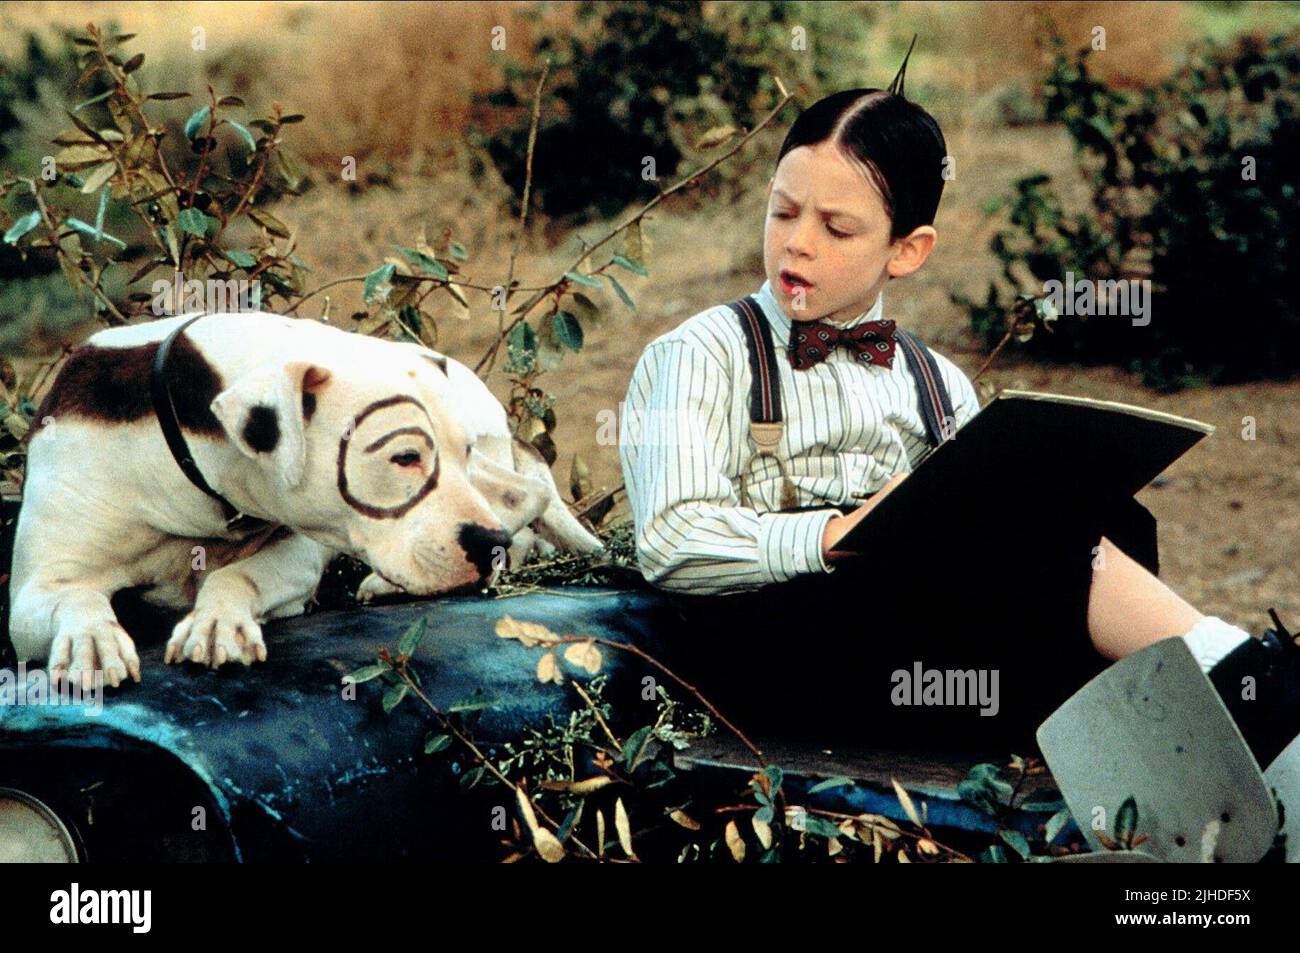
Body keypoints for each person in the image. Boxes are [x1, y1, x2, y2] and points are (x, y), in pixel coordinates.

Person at [617, 78, 1299, 763]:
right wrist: (833, 534)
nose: (797, 244)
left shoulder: (936, 382)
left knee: (1108, 522)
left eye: (836, 227)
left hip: (915, 657)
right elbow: (671, 537)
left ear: (907, 250)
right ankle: (1251, 685)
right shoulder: (698, 353)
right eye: (783, 213)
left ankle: (1199, 734)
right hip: (767, 658)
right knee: (1051, 557)